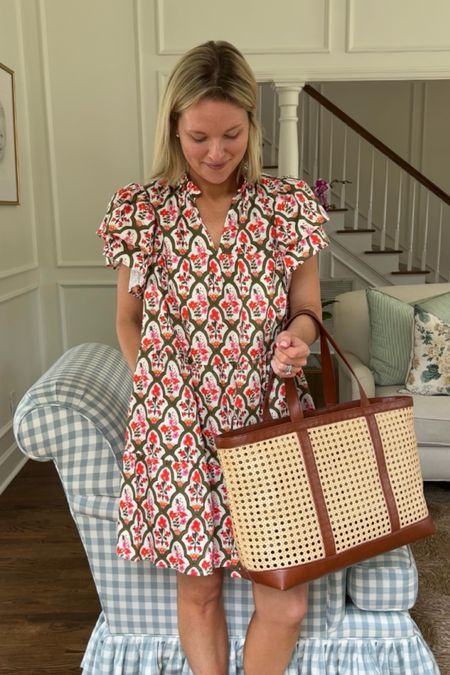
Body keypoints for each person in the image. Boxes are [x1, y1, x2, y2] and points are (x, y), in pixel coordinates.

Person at [97, 40, 329, 675]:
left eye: (231, 133)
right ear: (174, 125)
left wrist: (298, 339)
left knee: (285, 604)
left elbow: (307, 305)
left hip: (268, 415)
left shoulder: (287, 205)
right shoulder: (140, 209)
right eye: (199, 136)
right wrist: (157, 388)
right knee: (198, 590)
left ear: (252, 125)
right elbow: (128, 317)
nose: (217, 152)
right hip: (177, 421)